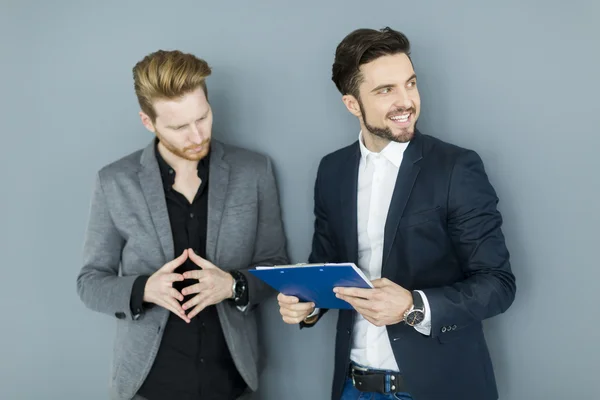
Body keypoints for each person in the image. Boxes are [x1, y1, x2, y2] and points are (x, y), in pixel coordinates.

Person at [277, 27, 516, 400]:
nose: (406, 102)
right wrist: (307, 304)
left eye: (410, 84)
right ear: (352, 104)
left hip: (436, 388)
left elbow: (498, 284)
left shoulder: (457, 168)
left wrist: (412, 306)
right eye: (385, 90)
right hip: (353, 387)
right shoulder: (332, 170)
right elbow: (326, 265)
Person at [76, 50, 288, 400]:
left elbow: (277, 265)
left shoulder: (254, 171)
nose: (196, 135)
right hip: (149, 384)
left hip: (233, 383)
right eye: (178, 126)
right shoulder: (114, 182)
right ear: (149, 122)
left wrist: (233, 285)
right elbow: (90, 282)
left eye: (202, 117)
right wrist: (144, 289)